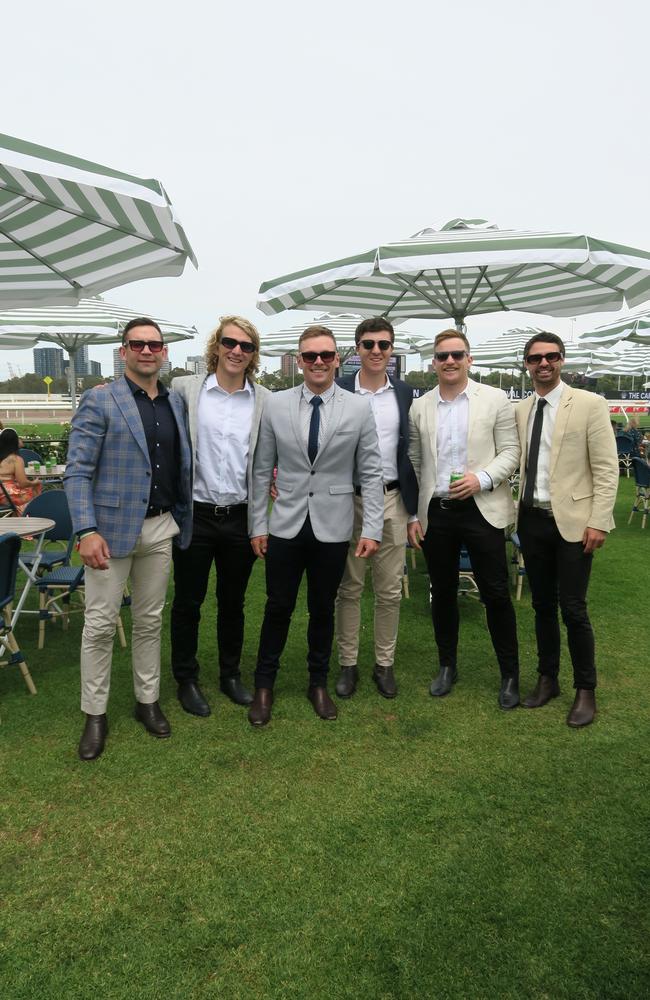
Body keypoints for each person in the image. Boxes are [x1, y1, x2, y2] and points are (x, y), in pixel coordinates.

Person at [65, 318, 192, 761]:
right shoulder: (100, 400)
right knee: (99, 626)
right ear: (124, 352)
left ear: (163, 352)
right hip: (109, 532)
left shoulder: (174, 402)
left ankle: (147, 701)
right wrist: (86, 529)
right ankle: (94, 714)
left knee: (150, 620)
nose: (147, 351)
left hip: (160, 528)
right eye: (138, 344)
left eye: (155, 344)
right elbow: (77, 471)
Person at [248, 324, 384, 726]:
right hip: (286, 523)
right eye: (310, 356)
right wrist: (258, 524)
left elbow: (372, 472)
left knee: (323, 608)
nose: (319, 362)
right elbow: (260, 471)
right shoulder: (275, 404)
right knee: (278, 607)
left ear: (337, 358)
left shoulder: (358, 408)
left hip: (334, 525)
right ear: (299, 360)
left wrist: (372, 528)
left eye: (326, 355)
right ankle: (264, 685)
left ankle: (318, 682)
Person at [408, 329, 521, 709]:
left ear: (469, 359)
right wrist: (413, 513)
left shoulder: (495, 399)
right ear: (434, 362)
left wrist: (482, 478)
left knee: (496, 593)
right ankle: (447, 665)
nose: (450, 361)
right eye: (442, 356)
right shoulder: (420, 406)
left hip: (481, 509)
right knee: (441, 592)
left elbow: (511, 451)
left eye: (457, 354)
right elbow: (416, 463)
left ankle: (509, 674)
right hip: (437, 513)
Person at [515, 332, 619, 727]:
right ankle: (547, 679)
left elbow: (607, 469)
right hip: (532, 519)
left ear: (562, 360)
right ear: (526, 364)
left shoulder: (590, 404)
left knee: (573, 608)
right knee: (541, 605)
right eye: (535, 358)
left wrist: (599, 520)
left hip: (575, 524)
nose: (543, 364)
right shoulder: (522, 409)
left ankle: (585, 688)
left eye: (551, 357)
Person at [170, 316, 269, 717]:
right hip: (196, 515)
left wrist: (262, 520)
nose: (237, 351)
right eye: (230, 342)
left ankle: (230, 675)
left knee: (233, 602)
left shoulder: (263, 400)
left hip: (239, 517)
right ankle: (186, 679)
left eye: (246, 346)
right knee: (188, 602)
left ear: (253, 354)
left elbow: (265, 464)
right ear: (216, 345)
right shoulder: (184, 390)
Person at [334, 317, 418, 699]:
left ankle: (384, 664)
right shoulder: (338, 390)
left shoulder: (403, 393)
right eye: (368, 344)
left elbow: (409, 453)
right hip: (348, 500)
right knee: (348, 588)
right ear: (357, 349)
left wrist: (413, 512)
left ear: (392, 350)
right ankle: (347, 664)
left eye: (384, 345)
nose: (376, 351)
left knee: (388, 591)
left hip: (392, 499)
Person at [0, 428, 41, 513]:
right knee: (34, 489)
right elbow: (23, 483)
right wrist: (34, 482)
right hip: (5, 495)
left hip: (2, 491)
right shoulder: (16, 459)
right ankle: (30, 516)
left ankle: (16, 516)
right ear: (14, 441)